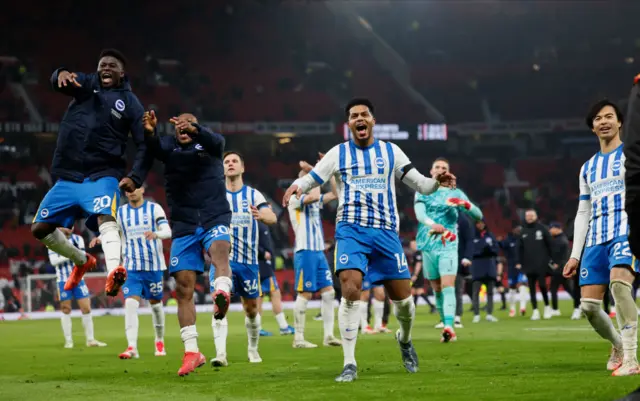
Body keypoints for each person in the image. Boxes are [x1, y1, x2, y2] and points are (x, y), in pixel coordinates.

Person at [282, 98, 455, 382]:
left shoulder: (391, 152)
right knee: (350, 290)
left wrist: (438, 181)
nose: (359, 119)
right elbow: (313, 178)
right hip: (351, 232)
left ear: (372, 121)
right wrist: (295, 186)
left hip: (386, 234)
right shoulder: (338, 154)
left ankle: (404, 338)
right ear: (349, 124)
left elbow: (422, 184)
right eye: (353, 116)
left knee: (404, 304)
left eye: (364, 114)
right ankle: (349, 363)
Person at [32, 49, 149, 298]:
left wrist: (135, 176)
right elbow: (63, 81)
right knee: (39, 229)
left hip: (103, 173)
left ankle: (114, 269)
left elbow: (145, 144)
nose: (105, 68)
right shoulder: (87, 84)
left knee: (106, 217)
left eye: (111, 65)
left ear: (122, 72)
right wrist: (59, 74)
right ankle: (80, 260)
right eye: (102, 64)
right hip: (70, 173)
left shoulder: (130, 103)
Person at [141, 111, 232, 376]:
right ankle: (192, 351)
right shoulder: (169, 148)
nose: (182, 126)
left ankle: (222, 292)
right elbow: (152, 147)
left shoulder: (211, 144)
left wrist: (195, 128)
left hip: (214, 215)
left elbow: (217, 141)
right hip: (183, 223)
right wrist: (149, 131)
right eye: (179, 123)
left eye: (188, 122)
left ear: (196, 125)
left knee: (219, 254)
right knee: (183, 288)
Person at [564, 99, 639, 376]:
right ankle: (618, 344)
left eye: (609, 116)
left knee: (620, 287)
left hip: (625, 232)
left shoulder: (631, 157)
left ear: (620, 122)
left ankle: (631, 359)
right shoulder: (587, 168)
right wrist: (575, 254)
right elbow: (583, 211)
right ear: (593, 127)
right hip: (595, 239)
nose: (604, 121)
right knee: (590, 307)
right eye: (598, 118)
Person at [210, 151, 277, 366]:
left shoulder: (253, 195)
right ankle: (221, 354)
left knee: (251, 310)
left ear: (242, 168)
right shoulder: (216, 195)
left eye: (234, 161)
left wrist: (262, 215)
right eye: (227, 162)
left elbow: (272, 217)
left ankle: (253, 349)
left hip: (248, 262)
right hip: (222, 261)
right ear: (223, 169)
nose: (230, 164)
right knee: (220, 305)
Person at [91, 187, 170, 359]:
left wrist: (156, 234)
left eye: (135, 188)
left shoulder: (154, 208)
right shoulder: (120, 212)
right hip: (131, 267)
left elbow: (167, 231)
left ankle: (159, 340)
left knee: (156, 306)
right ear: (125, 193)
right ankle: (132, 347)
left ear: (142, 189)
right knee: (130, 304)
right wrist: (100, 238)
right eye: (128, 190)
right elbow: (112, 233)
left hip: (153, 267)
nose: (132, 191)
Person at [414, 157, 483, 343]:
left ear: (449, 172)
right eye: (437, 166)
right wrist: (432, 224)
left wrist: (465, 205)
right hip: (427, 245)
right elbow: (420, 215)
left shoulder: (457, 193)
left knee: (448, 285)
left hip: (448, 245)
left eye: (444, 167)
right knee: (436, 288)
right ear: (431, 171)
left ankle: (450, 326)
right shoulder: (422, 191)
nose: (440, 169)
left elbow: (478, 215)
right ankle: (444, 322)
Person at [287, 167, 342, 348]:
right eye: (307, 180)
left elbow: (334, 194)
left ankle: (328, 336)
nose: (310, 182)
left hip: (318, 252)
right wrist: (315, 172)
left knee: (329, 293)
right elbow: (313, 196)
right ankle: (298, 338)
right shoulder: (296, 198)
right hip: (305, 251)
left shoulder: (314, 201)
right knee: (306, 293)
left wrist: (332, 174)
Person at [49, 227, 106, 349]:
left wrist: (70, 255)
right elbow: (53, 261)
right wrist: (72, 254)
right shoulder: (52, 240)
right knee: (66, 309)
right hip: (63, 280)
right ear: (59, 228)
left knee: (86, 308)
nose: (69, 228)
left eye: (71, 226)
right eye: (66, 226)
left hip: (78, 279)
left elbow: (82, 258)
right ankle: (68, 341)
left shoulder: (78, 239)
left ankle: (90, 340)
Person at [256, 221, 295, 337]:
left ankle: (257, 328)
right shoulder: (258, 224)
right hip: (262, 265)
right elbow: (252, 242)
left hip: (262, 265)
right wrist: (263, 253)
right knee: (274, 293)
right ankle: (283, 327)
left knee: (260, 296)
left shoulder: (262, 225)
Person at [517, 209, 555, 320]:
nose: (529, 217)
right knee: (531, 288)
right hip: (528, 264)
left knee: (543, 286)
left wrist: (551, 259)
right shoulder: (522, 231)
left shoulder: (542, 228)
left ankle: (547, 307)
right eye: (527, 215)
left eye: (531, 215)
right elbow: (519, 248)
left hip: (541, 264)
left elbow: (550, 245)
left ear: (536, 216)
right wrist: (519, 262)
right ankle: (535, 310)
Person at [548, 221, 580, 319]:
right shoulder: (563, 239)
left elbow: (559, 256)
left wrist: (555, 266)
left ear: (557, 228)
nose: (550, 230)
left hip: (560, 269)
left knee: (553, 288)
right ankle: (581, 304)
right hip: (563, 268)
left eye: (551, 228)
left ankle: (555, 309)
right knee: (569, 289)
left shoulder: (559, 241)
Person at [470, 220, 499, 323]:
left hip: (489, 267)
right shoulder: (472, 236)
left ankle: (489, 314)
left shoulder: (490, 235)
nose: (480, 225)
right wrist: (482, 251)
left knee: (490, 292)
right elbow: (471, 251)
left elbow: (496, 249)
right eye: (478, 223)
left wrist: (490, 250)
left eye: (482, 223)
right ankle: (476, 314)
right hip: (477, 267)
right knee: (475, 292)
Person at [499, 224, 529, 317]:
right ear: (513, 230)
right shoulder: (508, 240)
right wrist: (499, 242)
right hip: (511, 267)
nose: (518, 231)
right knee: (512, 288)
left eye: (520, 229)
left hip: (523, 267)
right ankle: (512, 309)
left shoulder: (525, 240)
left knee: (523, 285)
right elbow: (500, 247)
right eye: (517, 229)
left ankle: (522, 307)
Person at [409, 239, 436, 314]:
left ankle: (432, 306)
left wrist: (415, 275)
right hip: (417, 274)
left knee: (419, 291)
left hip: (419, 275)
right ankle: (413, 308)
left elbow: (418, 265)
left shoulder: (418, 253)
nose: (411, 246)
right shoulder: (415, 253)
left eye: (413, 244)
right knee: (414, 291)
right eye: (411, 245)